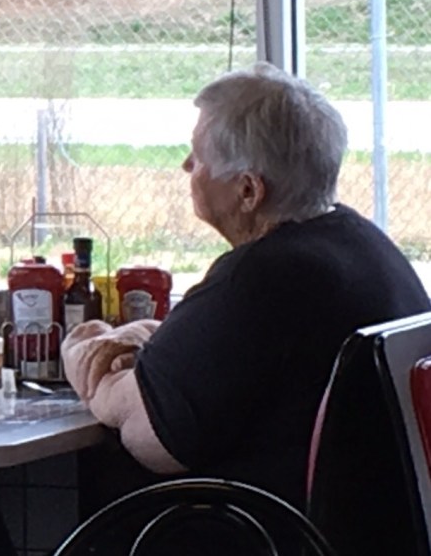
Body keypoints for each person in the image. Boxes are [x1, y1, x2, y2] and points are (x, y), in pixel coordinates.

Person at [61, 62, 431, 515]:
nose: (186, 166)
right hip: (363, 531)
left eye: (198, 157)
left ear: (249, 191)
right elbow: (210, 357)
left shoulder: (261, 280)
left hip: (257, 533)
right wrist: (143, 339)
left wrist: (86, 351)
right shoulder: (363, 245)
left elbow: (148, 437)